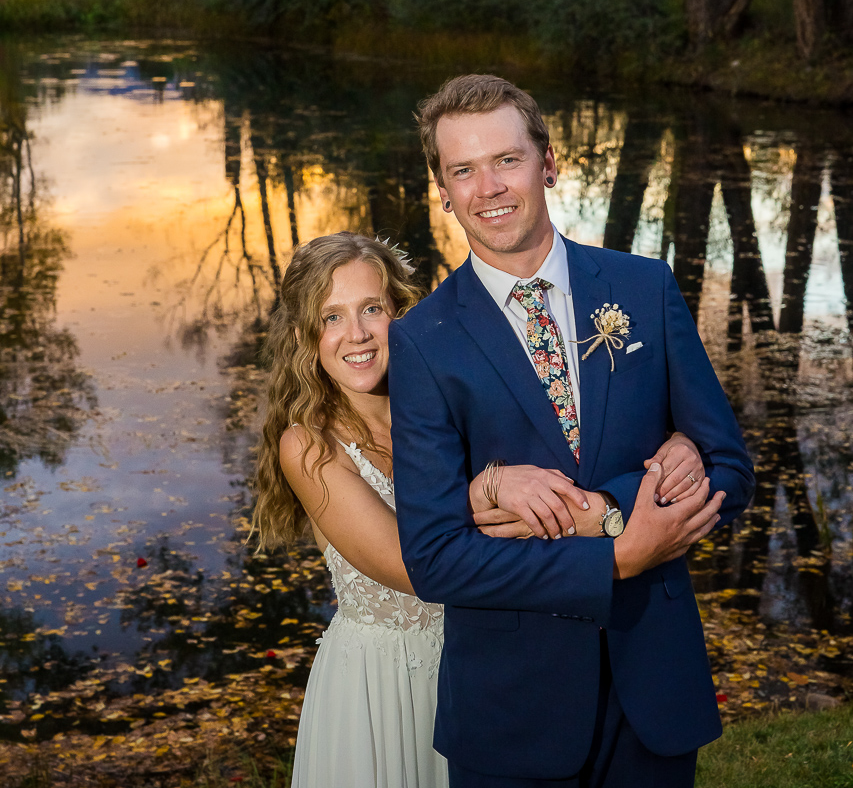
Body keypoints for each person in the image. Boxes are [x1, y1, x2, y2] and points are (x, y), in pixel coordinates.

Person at [388, 74, 756, 788]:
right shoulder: (423, 341)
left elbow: (727, 468)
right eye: (462, 170)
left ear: (547, 163)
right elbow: (434, 557)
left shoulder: (643, 288)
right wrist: (614, 555)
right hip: (510, 710)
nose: (488, 187)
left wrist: (612, 507)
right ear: (441, 188)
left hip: (653, 687)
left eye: (506, 160)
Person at [251, 231, 706, 788]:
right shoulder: (309, 446)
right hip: (386, 680)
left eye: (372, 308)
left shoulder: (446, 391)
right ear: (305, 336)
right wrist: (482, 490)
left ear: (400, 311)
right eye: (331, 318)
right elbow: (417, 564)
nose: (358, 335)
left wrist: (678, 441)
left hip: (496, 662)